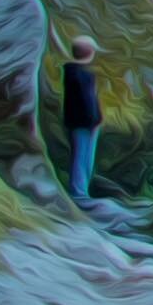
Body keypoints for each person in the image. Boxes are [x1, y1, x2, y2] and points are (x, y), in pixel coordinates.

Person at [63, 36, 103, 203]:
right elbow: (86, 100)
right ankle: (78, 192)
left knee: (85, 156)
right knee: (81, 156)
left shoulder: (80, 73)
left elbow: (91, 100)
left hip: (87, 122)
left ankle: (81, 190)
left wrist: (97, 118)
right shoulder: (78, 74)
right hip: (82, 122)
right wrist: (94, 118)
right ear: (89, 52)